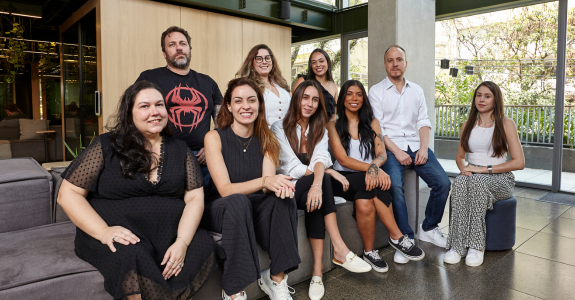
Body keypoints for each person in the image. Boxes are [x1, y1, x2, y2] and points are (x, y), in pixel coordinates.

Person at [57, 81, 217, 300]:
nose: (155, 112)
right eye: (144, 106)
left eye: (159, 105)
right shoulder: (107, 145)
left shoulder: (180, 150)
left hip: (169, 235)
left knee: (203, 245)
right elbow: (68, 194)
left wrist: (182, 242)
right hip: (122, 236)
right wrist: (103, 231)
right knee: (132, 256)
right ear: (129, 113)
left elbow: (195, 199)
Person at [272, 80, 371, 300]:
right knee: (323, 181)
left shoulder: (320, 127)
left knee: (318, 193)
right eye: (305, 98)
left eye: (315, 99)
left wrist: (319, 180)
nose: (310, 104)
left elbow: (320, 158)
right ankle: (339, 250)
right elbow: (291, 167)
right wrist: (326, 173)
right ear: (296, 98)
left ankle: (318, 272)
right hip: (287, 189)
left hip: (308, 189)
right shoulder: (278, 127)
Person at [204, 78, 300, 300]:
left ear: (259, 105)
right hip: (221, 207)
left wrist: (280, 187)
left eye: (251, 100)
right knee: (238, 201)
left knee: (284, 198)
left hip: (253, 204)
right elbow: (225, 189)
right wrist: (266, 182)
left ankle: (276, 279)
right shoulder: (214, 137)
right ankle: (234, 290)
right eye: (238, 101)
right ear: (228, 105)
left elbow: (267, 186)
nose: (245, 106)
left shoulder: (267, 137)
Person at [328, 80, 425, 273]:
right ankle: (397, 236)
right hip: (342, 179)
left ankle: (369, 252)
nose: (354, 98)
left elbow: (381, 154)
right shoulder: (332, 125)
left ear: (364, 99)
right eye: (349, 94)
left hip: (366, 177)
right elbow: (343, 159)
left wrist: (374, 167)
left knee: (365, 201)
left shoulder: (372, 123)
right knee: (379, 184)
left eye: (358, 94)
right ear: (342, 99)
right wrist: (373, 170)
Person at [368, 45, 452, 264]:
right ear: (384, 64)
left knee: (443, 182)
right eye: (390, 60)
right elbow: (379, 129)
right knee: (395, 185)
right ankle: (405, 238)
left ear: (406, 63)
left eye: (399, 59)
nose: (395, 64)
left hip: (416, 145)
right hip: (390, 148)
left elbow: (423, 122)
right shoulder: (376, 91)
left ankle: (429, 227)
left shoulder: (417, 90)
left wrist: (423, 149)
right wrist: (397, 152)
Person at [444, 81, 524, 267]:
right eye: (478, 95)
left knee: (478, 181)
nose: (481, 99)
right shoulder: (468, 124)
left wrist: (482, 169)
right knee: (461, 182)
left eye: (487, 96)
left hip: (500, 179)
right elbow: (460, 157)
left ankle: (475, 246)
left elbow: (519, 163)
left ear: (495, 100)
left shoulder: (506, 124)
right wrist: (464, 170)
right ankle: (457, 246)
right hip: (475, 174)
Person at [136, 26, 222, 187]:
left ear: (190, 49)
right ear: (164, 53)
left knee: (206, 205)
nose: (179, 48)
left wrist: (210, 147)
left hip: (203, 160)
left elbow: (222, 122)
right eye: (172, 44)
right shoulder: (149, 78)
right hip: (162, 158)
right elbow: (134, 113)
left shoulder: (208, 82)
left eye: (183, 43)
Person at [236, 44, 291, 126]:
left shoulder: (280, 84)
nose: (264, 61)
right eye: (259, 59)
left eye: (267, 58)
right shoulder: (248, 86)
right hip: (263, 135)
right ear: (251, 63)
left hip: (286, 135)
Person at [292, 49, 338, 121]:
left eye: (321, 61)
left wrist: (327, 131)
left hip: (326, 130)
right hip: (304, 129)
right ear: (311, 65)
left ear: (328, 63)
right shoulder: (303, 81)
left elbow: (333, 116)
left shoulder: (334, 87)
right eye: (314, 62)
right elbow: (294, 108)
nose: (318, 65)